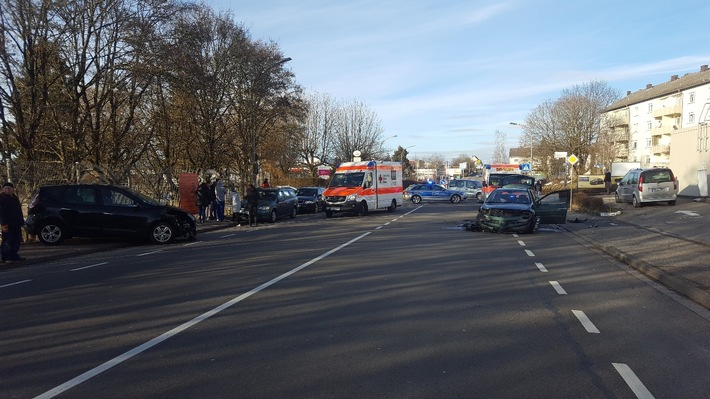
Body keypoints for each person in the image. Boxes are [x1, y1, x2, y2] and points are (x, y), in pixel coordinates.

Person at [0, 182, 26, 263]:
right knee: (8, 240)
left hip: (16, 223)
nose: (7, 190)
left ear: (13, 190)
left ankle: (13, 255)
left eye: (9, 188)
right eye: (5, 188)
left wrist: (22, 221)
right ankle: (6, 256)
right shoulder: (2, 199)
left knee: (16, 240)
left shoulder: (15, 199)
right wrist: (3, 224)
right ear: (3, 190)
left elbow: (19, 211)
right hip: (7, 224)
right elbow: (1, 213)